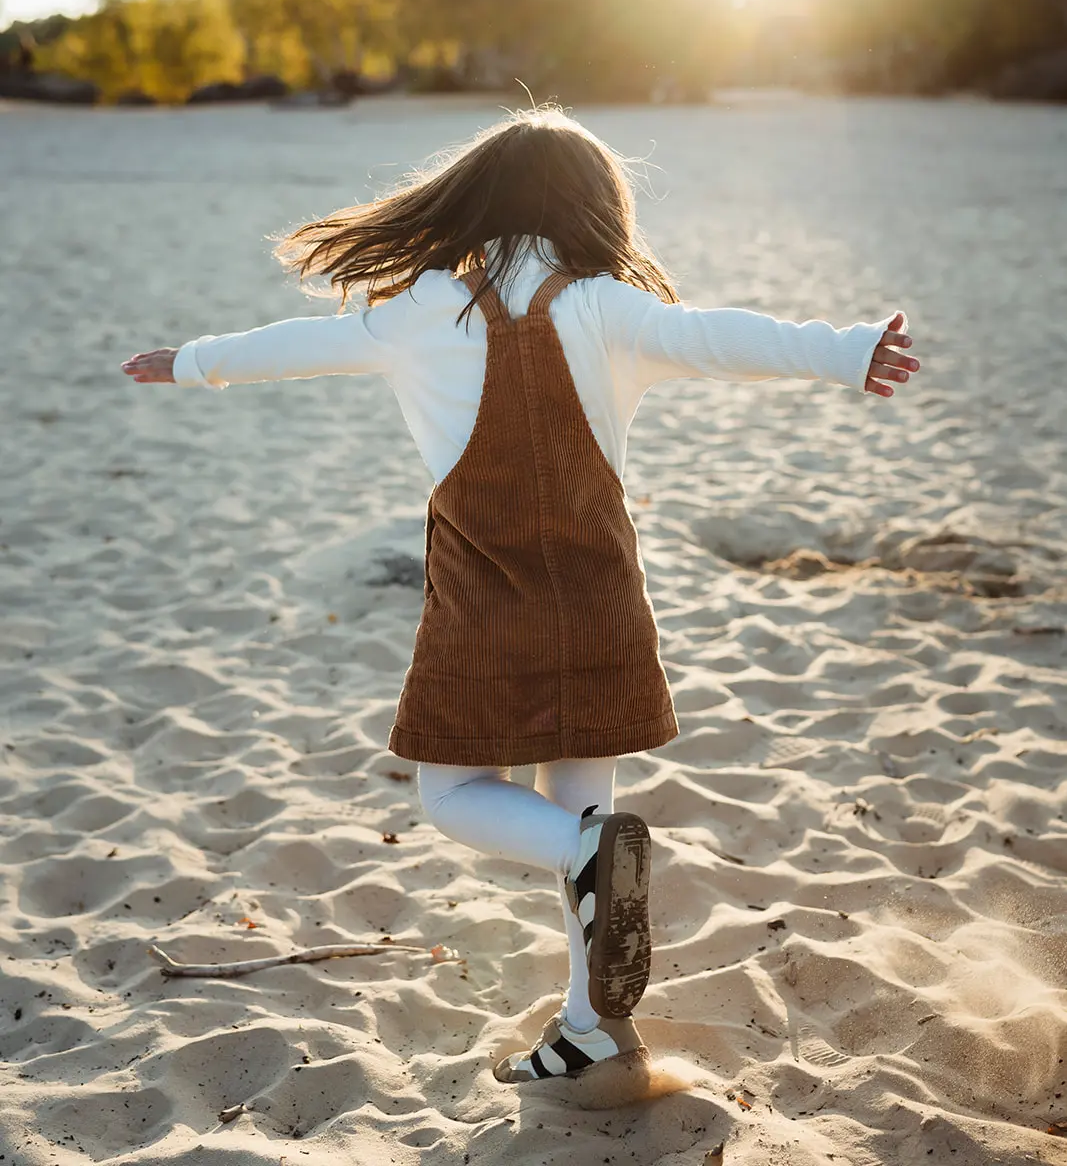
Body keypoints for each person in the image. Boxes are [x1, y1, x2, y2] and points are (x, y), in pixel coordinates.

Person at [121, 105, 920, 1085]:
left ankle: (586, 950)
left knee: (458, 794)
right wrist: (844, 350)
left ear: (476, 201)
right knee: (587, 822)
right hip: (598, 606)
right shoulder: (604, 308)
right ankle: (591, 1018)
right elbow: (717, 337)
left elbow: (295, 344)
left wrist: (191, 362)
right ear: (591, 210)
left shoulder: (419, 308)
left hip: (482, 612)